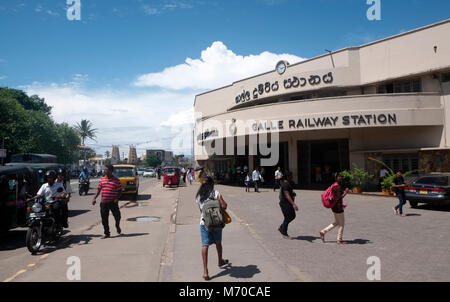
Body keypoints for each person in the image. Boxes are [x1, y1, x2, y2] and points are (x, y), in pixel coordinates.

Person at [195, 176, 229, 280]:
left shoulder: (199, 196)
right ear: (211, 184)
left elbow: (201, 211)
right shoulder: (216, 193)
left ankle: (205, 272)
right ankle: (220, 261)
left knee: (205, 245)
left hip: (204, 223)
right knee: (218, 242)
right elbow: (224, 206)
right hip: (217, 222)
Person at [92, 165, 123, 239]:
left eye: (106, 169)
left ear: (111, 171)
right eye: (104, 169)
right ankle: (107, 233)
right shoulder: (102, 180)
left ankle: (117, 225)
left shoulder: (116, 180)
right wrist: (94, 198)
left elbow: (120, 191)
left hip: (113, 202)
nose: (104, 171)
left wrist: (117, 198)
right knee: (104, 219)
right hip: (104, 203)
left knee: (117, 216)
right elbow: (98, 190)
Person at [320, 174, 349, 244]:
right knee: (341, 224)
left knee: (336, 222)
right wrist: (346, 192)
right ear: (335, 178)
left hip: (334, 206)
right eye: (339, 176)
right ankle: (339, 240)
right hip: (338, 207)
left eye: (340, 176)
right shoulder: (338, 187)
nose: (340, 177)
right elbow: (339, 198)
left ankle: (323, 231)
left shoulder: (333, 185)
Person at [278, 172, 298, 239]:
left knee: (292, 216)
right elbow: (287, 195)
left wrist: (293, 194)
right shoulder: (285, 184)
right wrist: (294, 204)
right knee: (288, 217)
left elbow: (289, 193)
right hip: (285, 204)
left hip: (287, 203)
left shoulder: (287, 183)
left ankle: (281, 227)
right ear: (287, 177)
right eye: (291, 176)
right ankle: (284, 233)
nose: (292, 177)